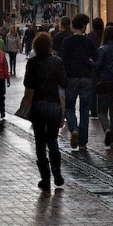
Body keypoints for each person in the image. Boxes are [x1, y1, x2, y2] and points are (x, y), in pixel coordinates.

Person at [24, 32, 67, 191]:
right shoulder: (57, 61)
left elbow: (27, 83)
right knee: (53, 140)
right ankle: (57, 173)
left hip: (38, 104)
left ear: (35, 46)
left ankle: (45, 177)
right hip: (54, 104)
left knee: (40, 143)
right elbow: (64, 82)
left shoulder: (33, 62)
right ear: (49, 45)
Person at [60, 13, 98, 151]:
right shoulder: (88, 42)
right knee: (84, 110)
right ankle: (83, 142)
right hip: (86, 79)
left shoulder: (67, 42)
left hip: (71, 78)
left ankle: (73, 128)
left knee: (69, 107)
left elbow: (62, 61)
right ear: (84, 26)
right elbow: (96, 58)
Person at [88, 17, 104, 118]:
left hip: (93, 64)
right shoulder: (105, 34)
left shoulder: (90, 36)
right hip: (104, 64)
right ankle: (103, 109)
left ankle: (94, 110)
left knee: (93, 88)